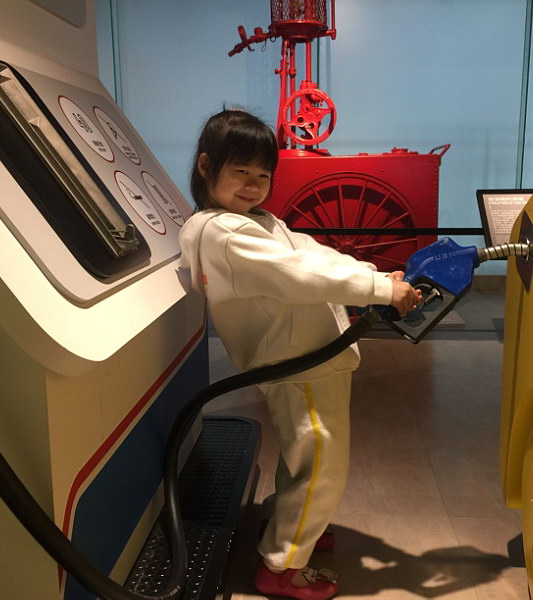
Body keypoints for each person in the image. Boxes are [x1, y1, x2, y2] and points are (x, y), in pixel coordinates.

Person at [179, 109, 421, 600]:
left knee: (305, 453)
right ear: (205, 166)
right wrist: (379, 288)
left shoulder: (253, 222)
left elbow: (310, 254)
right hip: (299, 363)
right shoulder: (225, 233)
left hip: (307, 358)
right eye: (240, 171)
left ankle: (296, 523)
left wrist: (373, 274)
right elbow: (298, 274)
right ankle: (282, 565)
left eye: (263, 174)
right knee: (321, 464)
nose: (253, 185)